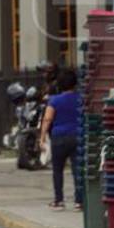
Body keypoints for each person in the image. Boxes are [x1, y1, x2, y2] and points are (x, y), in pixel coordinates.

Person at [39, 68, 83, 210]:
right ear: (75, 83)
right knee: (77, 169)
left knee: (57, 170)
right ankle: (79, 201)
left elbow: (47, 119)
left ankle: (59, 200)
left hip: (58, 136)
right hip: (77, 135)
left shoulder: (54, 100)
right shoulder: (81, 99)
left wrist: (42, 137)